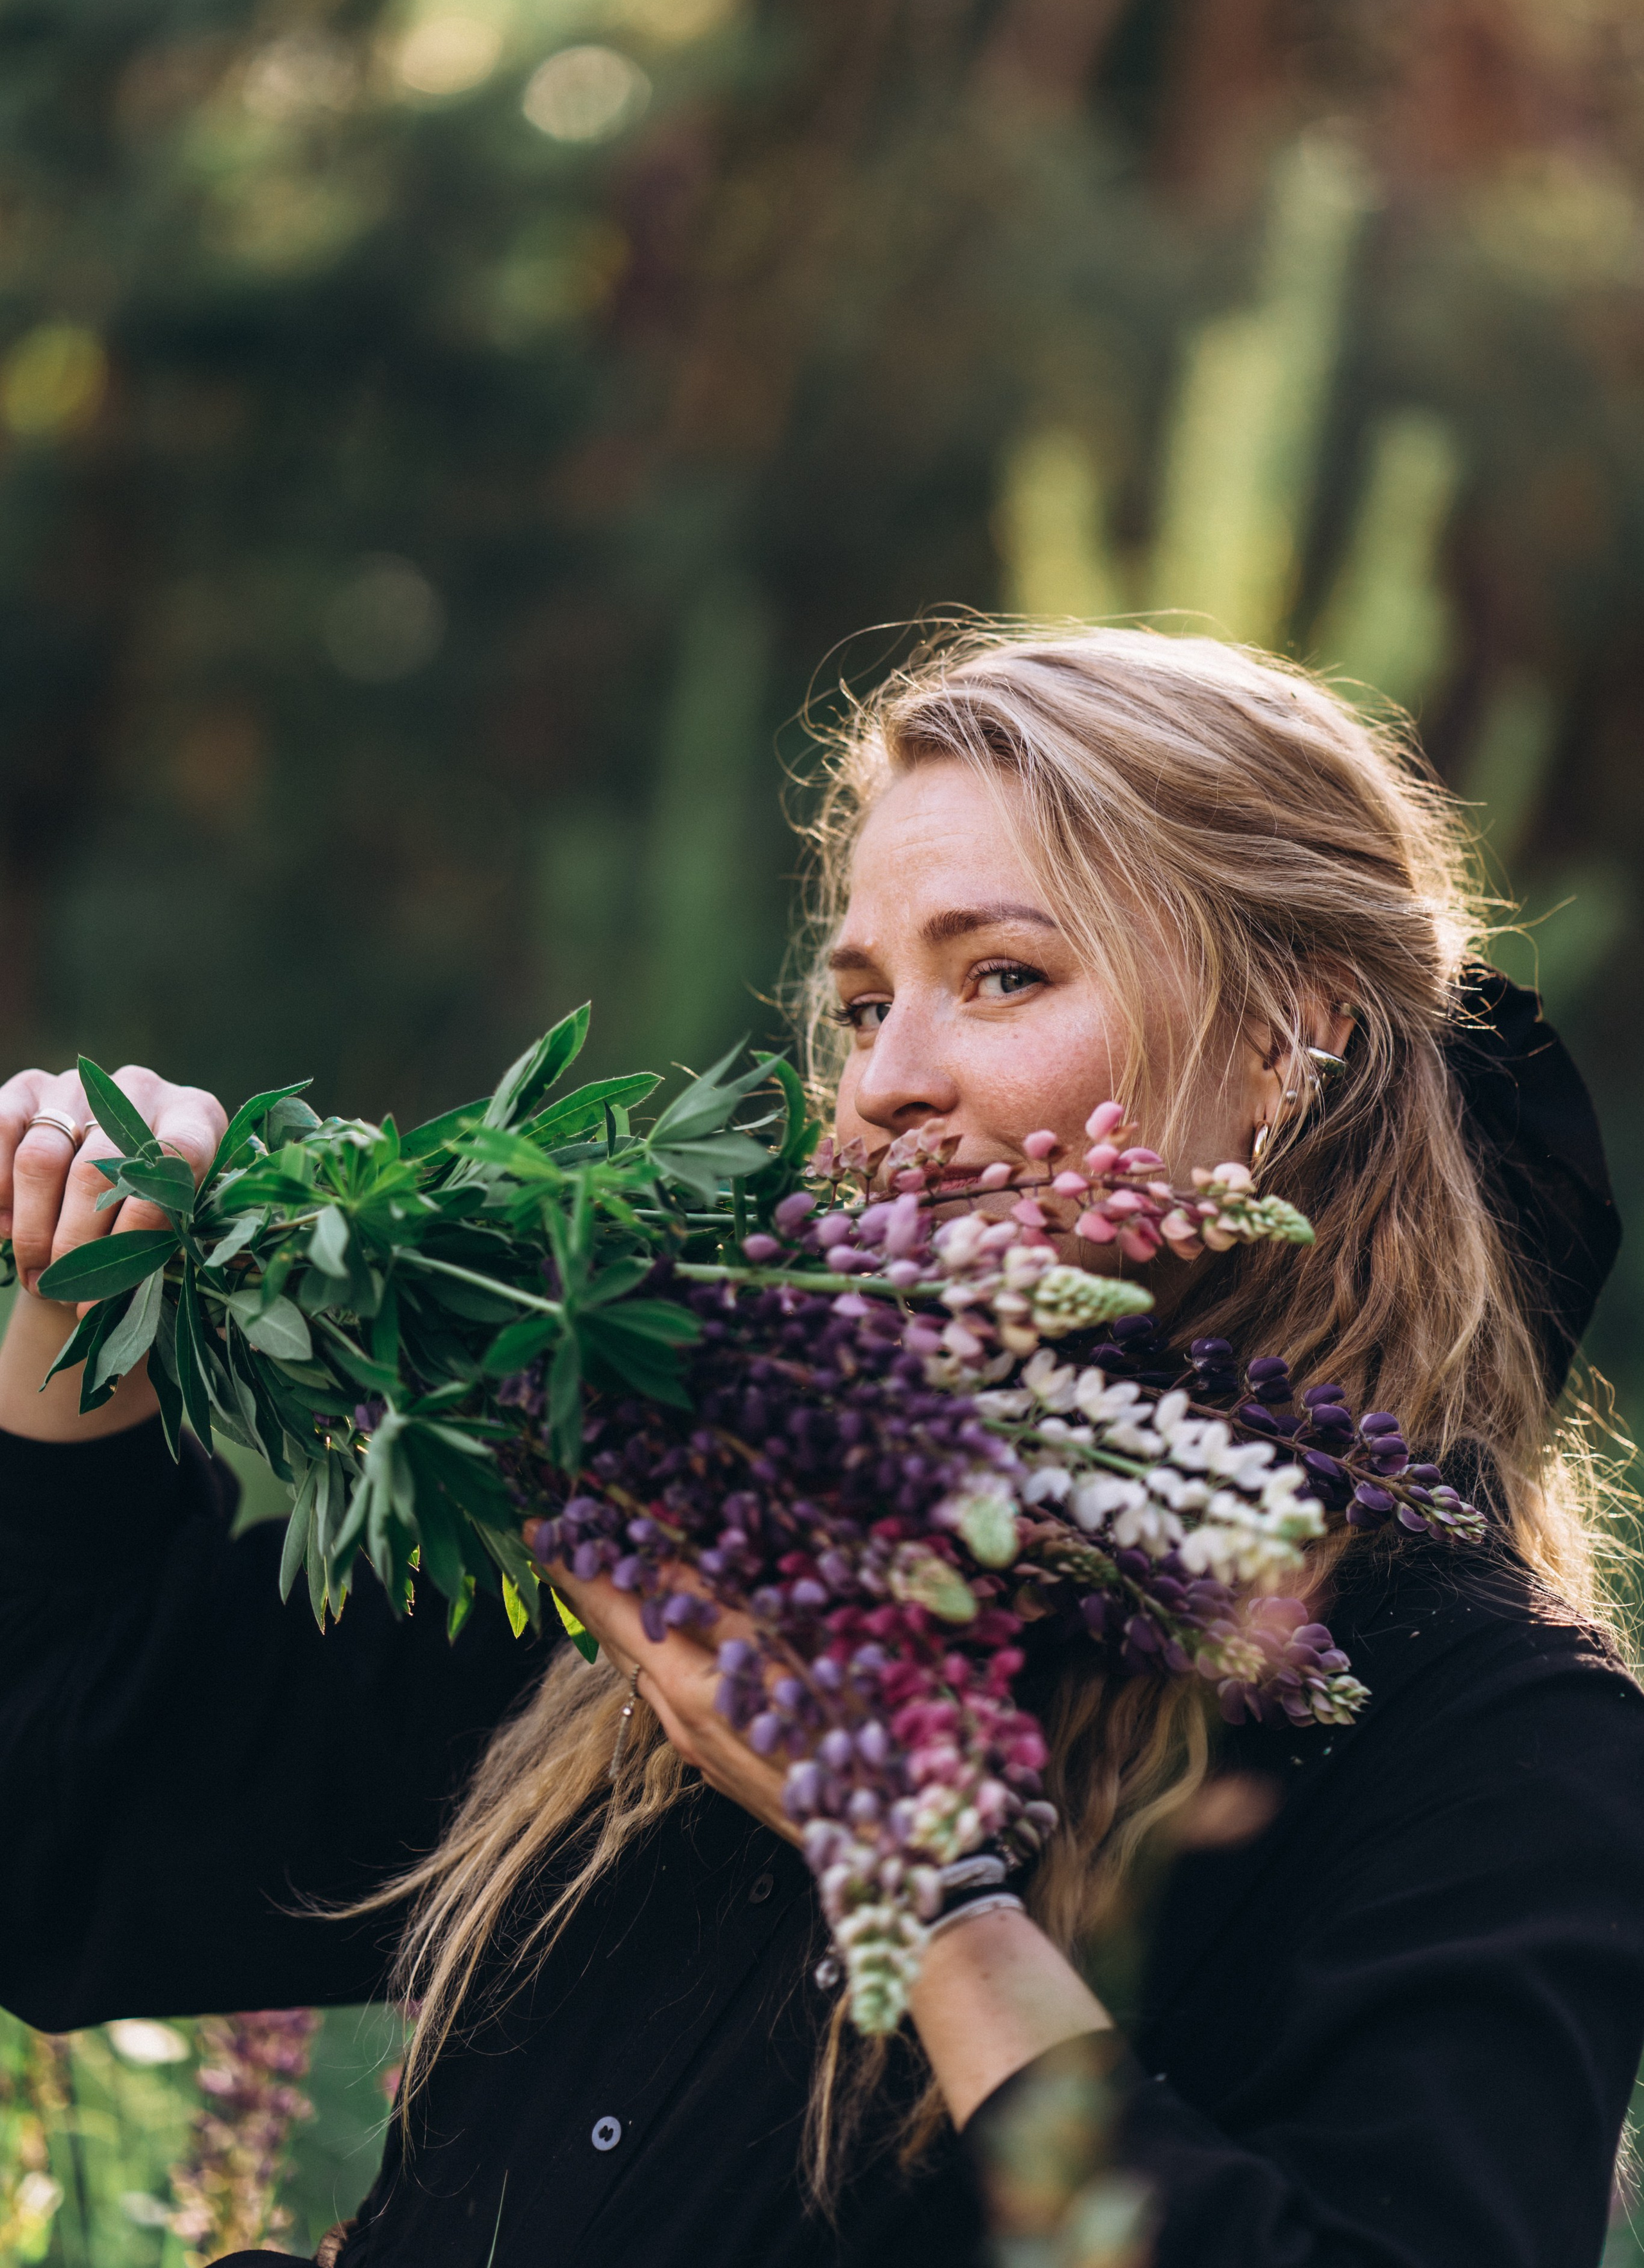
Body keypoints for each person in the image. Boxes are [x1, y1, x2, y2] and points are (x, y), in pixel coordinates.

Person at [1, 624, 1641, 2268]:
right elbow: (73, 1845)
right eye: (860, 1005)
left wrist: (916, 1878)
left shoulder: (1479, 1733)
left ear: (1291, 1042)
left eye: (1002, 975)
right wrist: (89, 1293)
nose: (886, 1088)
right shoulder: (710, 1532)